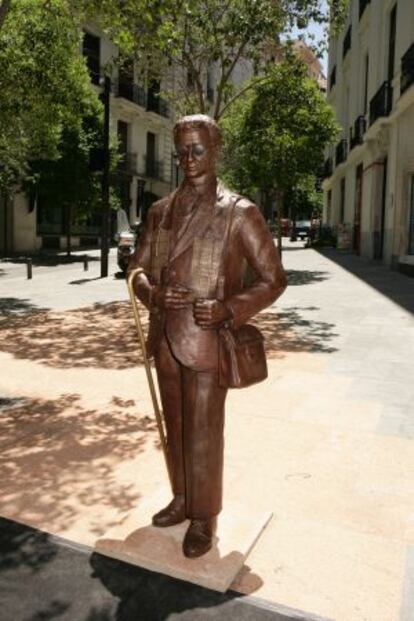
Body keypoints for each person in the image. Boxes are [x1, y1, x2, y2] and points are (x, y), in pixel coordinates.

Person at [128, 114, 287, 558]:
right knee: (176, 427)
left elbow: (273, 279)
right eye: (182, 151)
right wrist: (152, 294)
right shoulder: (160, 211)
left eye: (198, 149)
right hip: (166, 338)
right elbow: (136, 268)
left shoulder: (239, 212)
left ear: (215, 149)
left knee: (203, 432)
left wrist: (228, 310)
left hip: (206, 341)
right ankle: (181, 499)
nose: (189, 159)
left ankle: (204, 515)